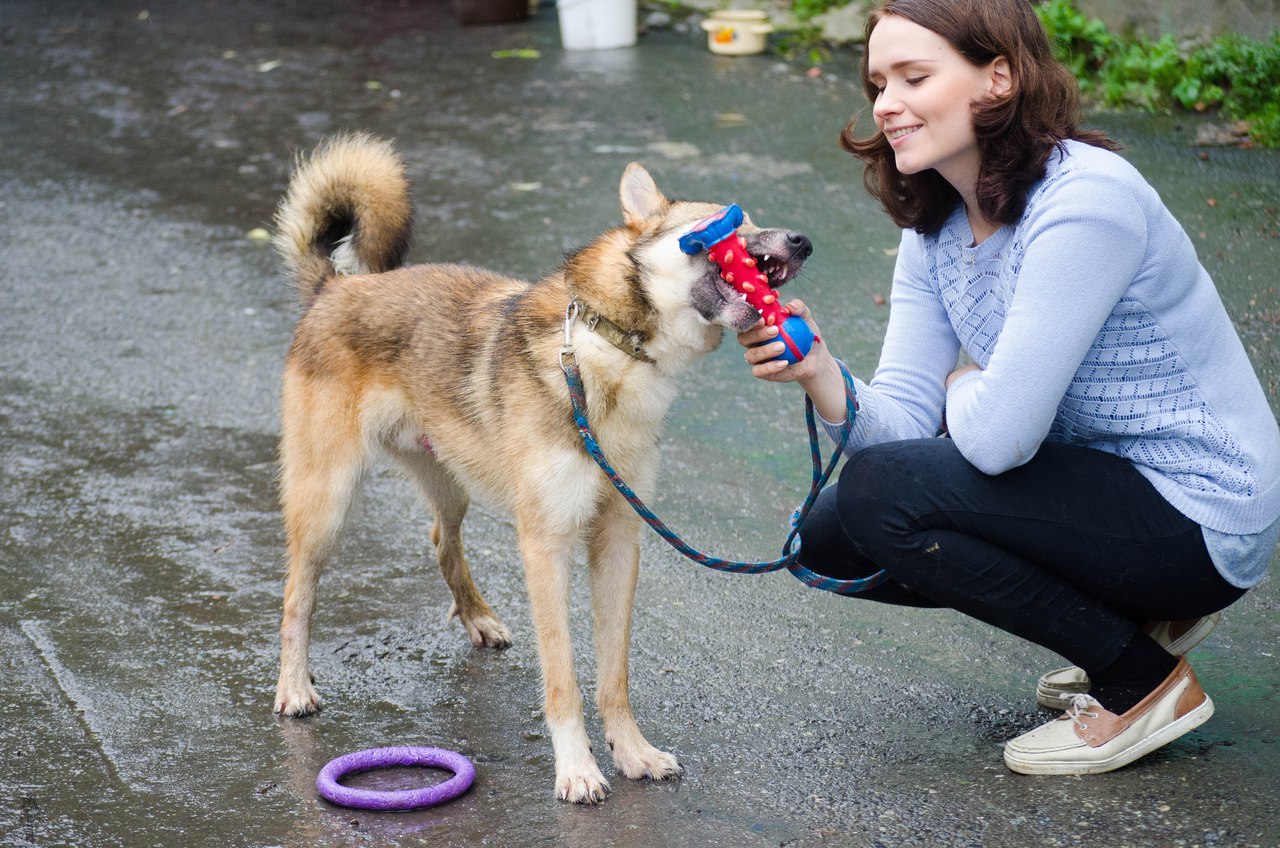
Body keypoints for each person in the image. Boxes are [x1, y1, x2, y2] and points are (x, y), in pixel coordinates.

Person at [739, 0, 1280, 775]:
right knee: (826, 540)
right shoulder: (934, 224)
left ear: (998, 77)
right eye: (877, 82)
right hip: (1102, 491)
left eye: (914, 77)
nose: (887, 103)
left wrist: (968, 385)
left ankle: (1143, 683)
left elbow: (996, 441)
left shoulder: (1087, 201)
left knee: (881, 495)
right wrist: (821, 371)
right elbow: (904, 431)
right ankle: (1130, 630)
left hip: (1202, 509)